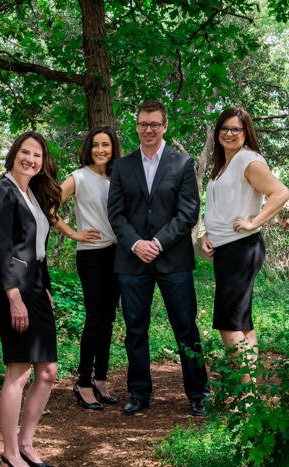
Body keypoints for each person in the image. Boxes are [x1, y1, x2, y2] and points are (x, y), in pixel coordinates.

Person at [107, 99, 209, 417]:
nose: (148, 129)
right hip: (132, 260)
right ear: (136, 127)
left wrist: (158, 243)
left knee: (186, 328)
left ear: (165, 126)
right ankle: (139, 392)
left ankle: (198, 393)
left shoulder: (182, 164)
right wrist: (137, 244)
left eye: (154, 124)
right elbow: (116, 213)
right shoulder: (122, 166)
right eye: (143, 124)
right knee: (135, 329)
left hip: (173, 260)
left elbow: (188, 212)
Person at [0, 131, 61, 467]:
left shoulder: (33, 193)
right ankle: (10, 453)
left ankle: (26, 444)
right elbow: (1, 249)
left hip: (36, 286)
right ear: (14, 154)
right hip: (13, 289)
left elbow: (36, 248)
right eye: (25, 152)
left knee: (48, 371)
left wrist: (45, 288)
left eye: (37, 155)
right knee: (19, 369)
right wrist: (13, 296)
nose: (31, 159)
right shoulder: (2, 192)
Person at [200, 107, 289, 380]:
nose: (229, 133)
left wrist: (254, 222)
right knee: (241, 323)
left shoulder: (248, 160)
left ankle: (245, 394)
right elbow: (223, 207)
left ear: (246, 132)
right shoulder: (225, 165)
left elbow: (280, 193)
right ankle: (249, 392)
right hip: (227, 248)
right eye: (224, 128)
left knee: (228, 323)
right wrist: (208, 235)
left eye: (236, 129)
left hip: (241, 248)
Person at [54, 126, 122, 410]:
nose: (100, 150)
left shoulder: (118, 178)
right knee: (95, 317)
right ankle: (83, 381)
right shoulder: (79, 177)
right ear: (88, 148)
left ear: (113, 148)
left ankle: (101, 379)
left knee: (108, 319)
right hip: (91, 255)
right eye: (95, 145)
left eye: (106, 145)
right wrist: (73, 233)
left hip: (117, 255)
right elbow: (48, 205)